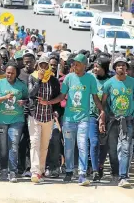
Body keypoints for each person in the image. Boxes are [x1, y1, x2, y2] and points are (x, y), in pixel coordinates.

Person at [39, 54, 104, 186]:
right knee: (68, 147)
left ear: (84, 65)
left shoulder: (90, 79)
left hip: (83, 119)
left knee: (82, 145)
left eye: (77, 64)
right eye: (74, 64)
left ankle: (81, 174)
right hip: (68, 119)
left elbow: (96, 98)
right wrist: (49, 102)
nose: (74, 66)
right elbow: (62, 96)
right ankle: (69, 171)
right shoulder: (69, 78)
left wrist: (102, 111)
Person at [0, 62, 28, 182]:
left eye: (12, 73)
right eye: (7, 72)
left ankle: (13, 172)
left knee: (14, 145)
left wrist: (24, 102)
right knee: (3, 147)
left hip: (17, 120)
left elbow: (27, 98)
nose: (9, 75)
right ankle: (3, 170)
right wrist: (5, 98)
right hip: (1, 120)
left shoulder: (21, 85)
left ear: (16, 73)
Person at [28, 56, 61, 183]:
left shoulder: (53, 80)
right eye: (41, 65)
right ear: (37, 65)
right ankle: (35, 171)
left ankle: (41, 170)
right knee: (34, 143)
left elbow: (57, 98)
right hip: (35, 115)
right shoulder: (33, 77)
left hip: (48, 116)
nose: (43, 67)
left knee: (44, 145)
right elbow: (31, 94)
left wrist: (56, 110)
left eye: (45, 65)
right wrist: (39, 81)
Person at [101, 57, 134, 188]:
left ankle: (123, 176)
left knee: (125, 148)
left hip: (128, 120)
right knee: (113, 150)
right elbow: (103, 102)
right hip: (113, 120)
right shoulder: (109, 84)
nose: (121, 67)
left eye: (123, 65)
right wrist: (104, 117)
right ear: (115, 68)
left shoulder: (132, 82)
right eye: (119, 66)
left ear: (127, 68)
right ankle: (115, 173)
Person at [89, 57, 110, 182]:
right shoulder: (90, 79)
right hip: (91, 114)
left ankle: (101, 165)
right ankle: (95, 170)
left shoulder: (110, 81)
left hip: (107, 116)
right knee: (94, 142)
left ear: (105, 68)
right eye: (94, 66)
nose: (95, 69)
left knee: (104, 143)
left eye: (98, 66)